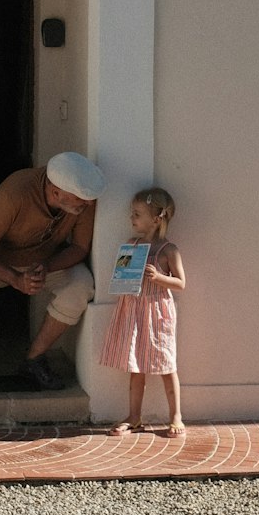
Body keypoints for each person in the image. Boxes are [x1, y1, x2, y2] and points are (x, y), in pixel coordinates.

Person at [0, 152, 105, 392]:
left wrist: (47, 266)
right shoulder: (15, 193)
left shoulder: (83, 200)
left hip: (42, 261)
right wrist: (15, 279)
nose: (88, 204)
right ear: (55, 191)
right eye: (81, 198)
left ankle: (34, 359)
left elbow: (80, 247)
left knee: (81, 284)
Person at [101, 186, 186, 435]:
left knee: (166, 365)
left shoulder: (169, 250)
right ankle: (134, 416)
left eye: (137, 214)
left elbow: (181, 283)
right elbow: (121, 275)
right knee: (136, 365)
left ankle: (176, 416)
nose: (131, 218)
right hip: (133, 311)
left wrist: (159, 277)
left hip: (157, 313)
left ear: (156, 218)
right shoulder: (132, 245)